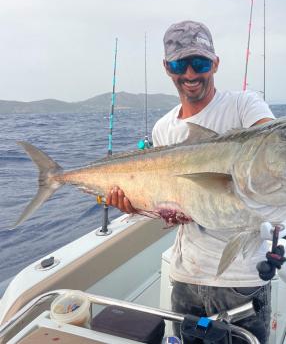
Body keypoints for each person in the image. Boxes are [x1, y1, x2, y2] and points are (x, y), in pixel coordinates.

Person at [107, 20, 275, 343]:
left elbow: (271, 146)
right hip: (186, 276)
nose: (190, 74)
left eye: (198, 63)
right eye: (178, 64)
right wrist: (144, 208)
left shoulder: (244, 106)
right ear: (166, 68)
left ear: (215, 63)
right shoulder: (163, 129)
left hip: (239, 279)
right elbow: (170, 205)